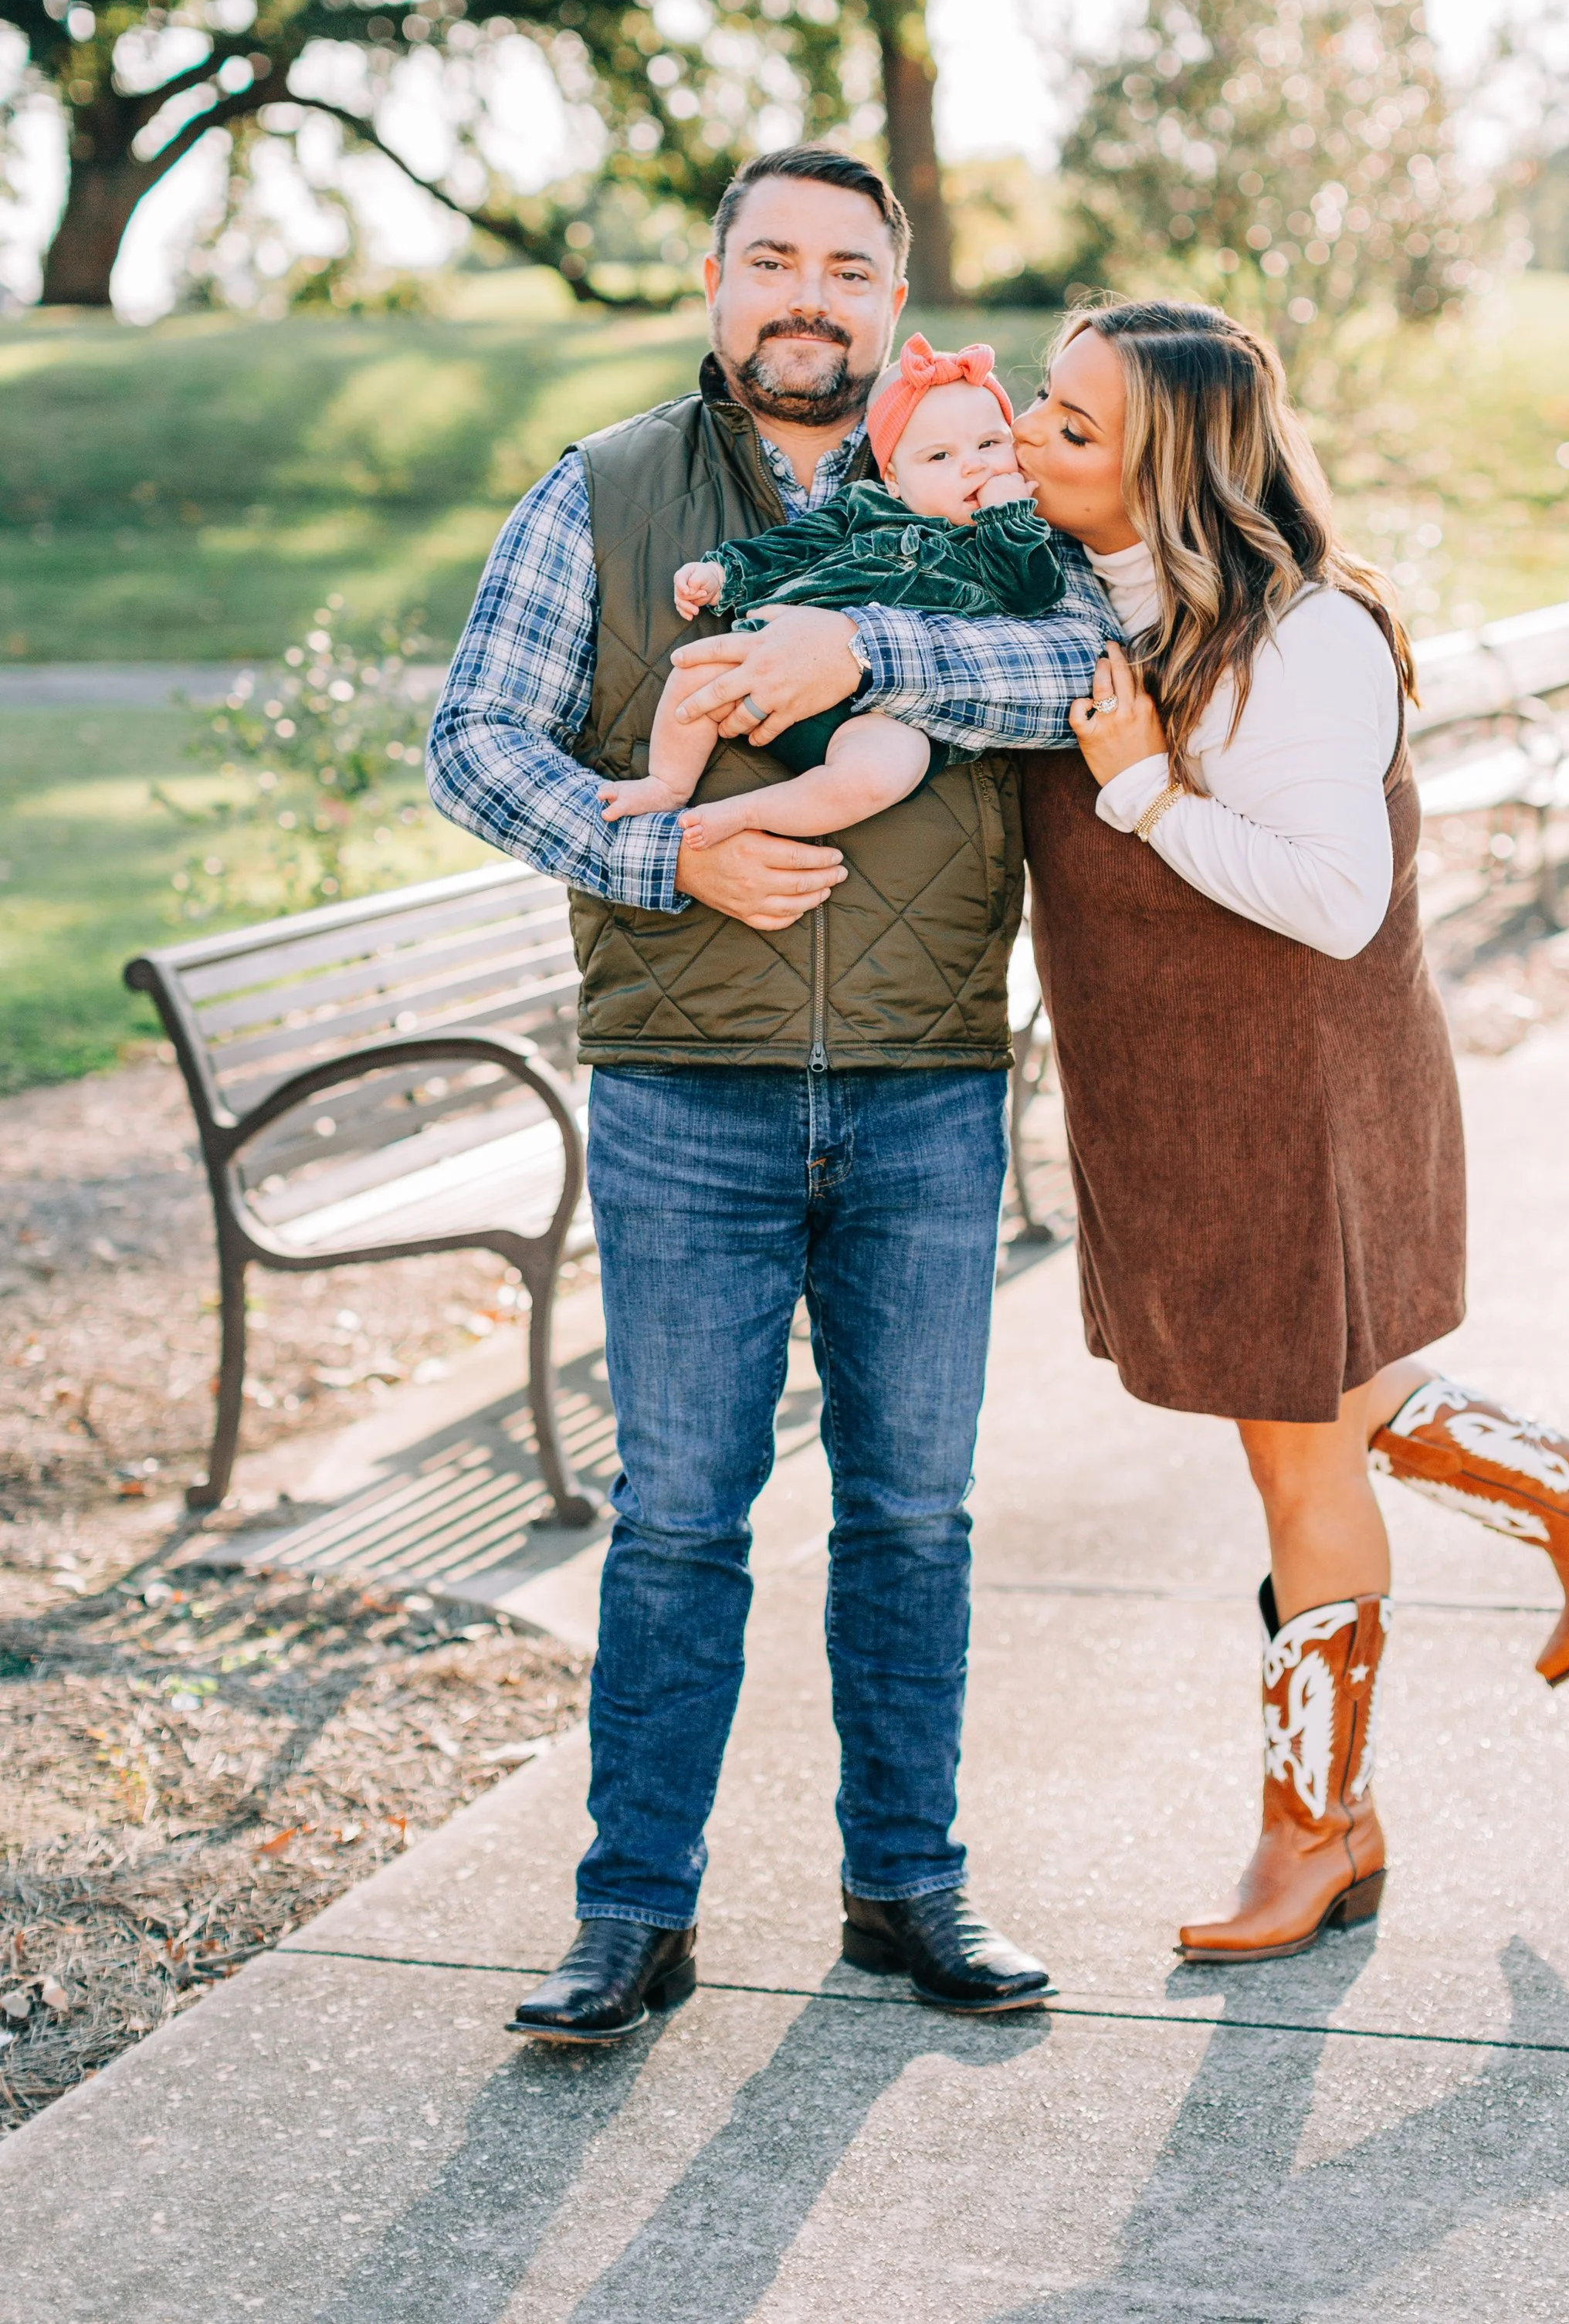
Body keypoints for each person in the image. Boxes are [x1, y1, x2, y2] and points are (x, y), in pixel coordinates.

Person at [427, 147, 1113, 2038]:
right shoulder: (606, 488)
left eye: (848, 267)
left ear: (894, 298)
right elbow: (476, 741)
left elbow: (1091, 664)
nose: (808, 296)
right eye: (773, 261)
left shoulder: (982, 472)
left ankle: (908, 1884)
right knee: (677, 1517)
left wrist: (869, 646)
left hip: (924, 1086)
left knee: (913, 1509)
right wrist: (672, 859)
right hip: (683, 1089)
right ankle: (632, 1912)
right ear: (717, 281)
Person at [1009, 299, 1569, 1964]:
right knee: (1314, 1400)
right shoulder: (1090, 598)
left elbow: (1331, 897)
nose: (1031, 435)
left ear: (1170, 471)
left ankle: (1318, 1833)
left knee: (1294, 1442)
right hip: (1175, 1099)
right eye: (1040, 403)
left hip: (1286, 1103)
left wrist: (1142, 785)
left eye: (1074, 428)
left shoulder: (1294, 637)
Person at [599, 336, 1063, 851]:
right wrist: (723, 573)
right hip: (774, 659)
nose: (974, 467)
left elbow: (1033, 598)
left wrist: (1009, 519)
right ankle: (668, 783)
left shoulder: (1010, 538)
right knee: (697, 668)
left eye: (990, 444)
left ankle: (747, 813)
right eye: (939, 456)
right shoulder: (864, 506)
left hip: (890, 712)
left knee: (884, 773)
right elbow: (793, 546)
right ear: (893, 479)